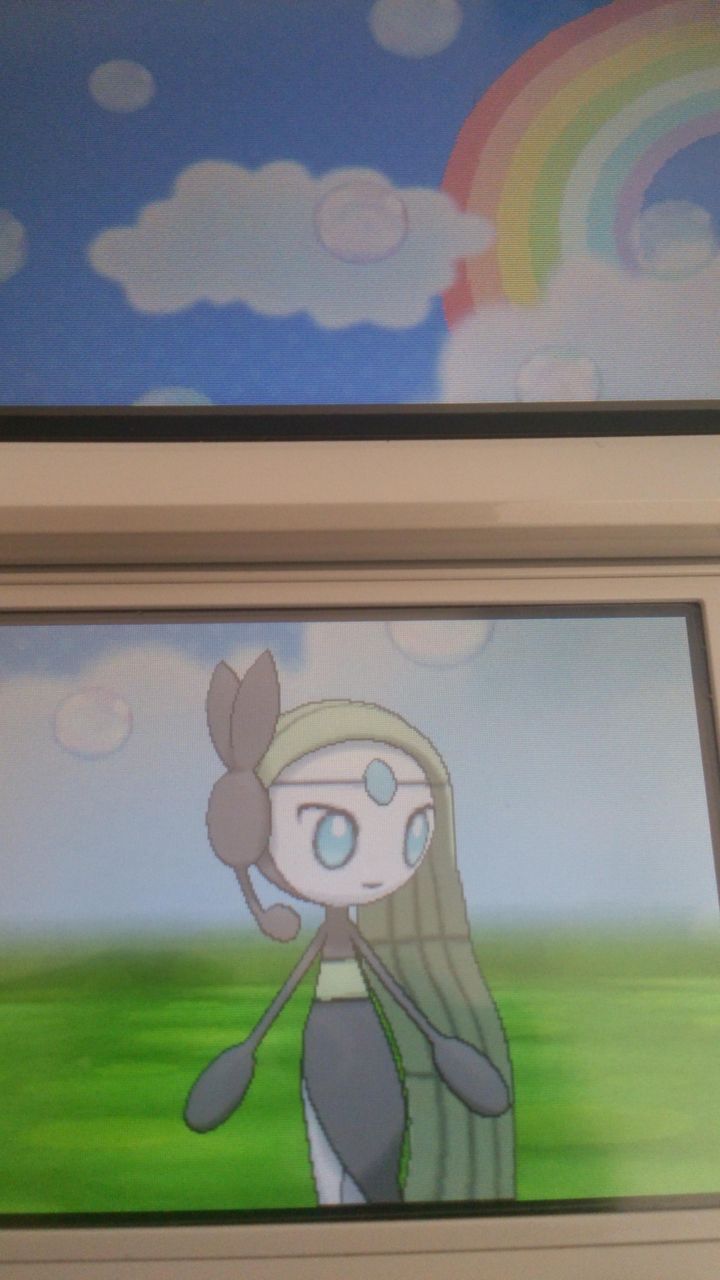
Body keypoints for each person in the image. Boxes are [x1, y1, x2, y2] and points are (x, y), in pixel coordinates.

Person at [185, 651, 514, 1204]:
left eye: (414, 832)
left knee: (361, 1130)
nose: (377, 869)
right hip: (338, 1031)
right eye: (333, 835)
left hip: (354, 1030)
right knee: (338, 1136)